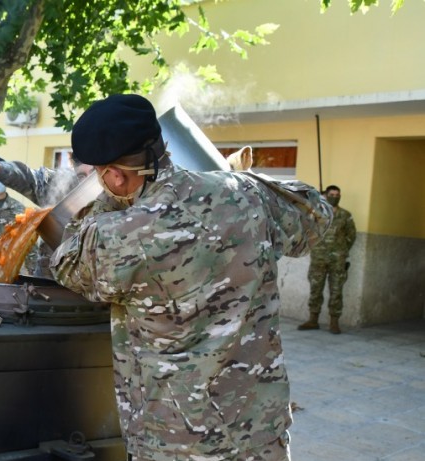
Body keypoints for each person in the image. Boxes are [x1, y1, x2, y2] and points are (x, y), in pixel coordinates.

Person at [49, 94, 333, 461]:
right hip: (259, 432)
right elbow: (317, 214)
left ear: (115, 176)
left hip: (177, 442)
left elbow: (66, 263)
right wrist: (238, 181)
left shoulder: (120, 235)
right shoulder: (243, 192)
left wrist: (108, 201)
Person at [0, 141, 95, 277]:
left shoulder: (120, 198)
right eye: (81, 176)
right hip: (47, 285)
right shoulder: (66, 184)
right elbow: (29, 178)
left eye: (93, 174)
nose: (87, 182)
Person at [299, 185, 356, 334]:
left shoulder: (345, 215)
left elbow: (351, 236)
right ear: (326, 195)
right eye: (332, 194)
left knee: (336, 290)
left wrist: (341, 250)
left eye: (337, 194)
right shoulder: (318, 213)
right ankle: (313, 320)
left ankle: (334, 322)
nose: (335, 197)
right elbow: (308, 230)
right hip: (318, 258)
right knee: (315, 289)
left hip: (338, 260)